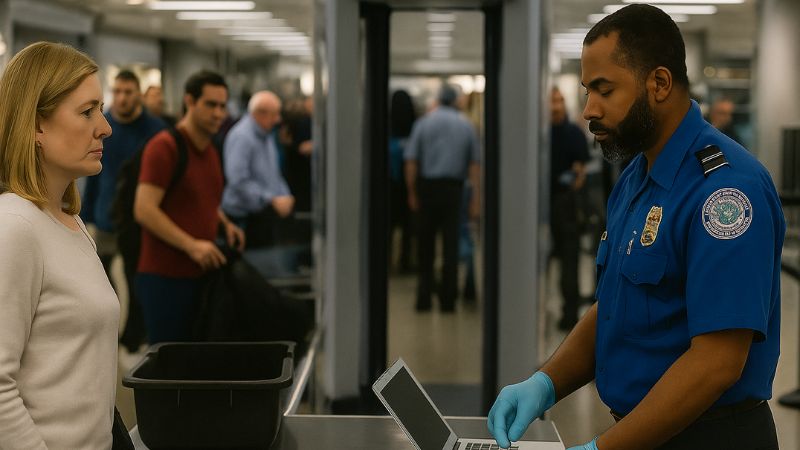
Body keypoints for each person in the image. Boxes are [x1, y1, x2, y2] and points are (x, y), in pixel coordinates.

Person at [488, 5, 784, 450]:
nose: (588, 109)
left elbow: (717, 362)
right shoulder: (637, 176)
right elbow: (613, 306)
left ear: (659, 84)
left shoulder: (725, 192)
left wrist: (602, 449)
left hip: (709, 437)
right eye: (588, 90)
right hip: (642, 434)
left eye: (604, 90)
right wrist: (545, 383)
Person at [0, 42, 119, 448]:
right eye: (87, 112)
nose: (104, 127)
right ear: (36, 125)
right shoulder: (15, 228)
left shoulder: (70, 223)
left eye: (100, 110)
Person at [134, 70, 244, 344]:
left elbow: (199, 196)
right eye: (210, 104)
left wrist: (224, 223)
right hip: (165, 279)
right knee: (169, 369)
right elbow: (144, 209)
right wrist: (192, 245)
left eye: (222, 106)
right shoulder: (164, 147)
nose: (218, 113)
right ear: (190, 102)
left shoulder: (210, 150)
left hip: (200, 276)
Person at [81, 69, 165, 352]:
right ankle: (107, 336)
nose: (121, 98)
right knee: (99, 281)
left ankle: (133, 338)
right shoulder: (103, 126)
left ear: (138, 95)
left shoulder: (155, 131)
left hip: (137, 222)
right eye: (117, 92)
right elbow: (94, 174)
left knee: (135, 280)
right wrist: (86, 214)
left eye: (128, 92)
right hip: (105, 219)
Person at [405, 84, 480, 312]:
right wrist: (475, 198)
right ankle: (448, 300)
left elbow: (411, 161)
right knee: (451, 245)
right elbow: (474, 166)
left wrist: (412, 193)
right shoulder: (466, 126)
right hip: (453, 190)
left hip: (428, 188)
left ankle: (424, 298)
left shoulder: (423, 124)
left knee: (425, 246)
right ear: (455, 100)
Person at [221, 90, 295, 249]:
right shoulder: (242, 137)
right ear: (260, 114)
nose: (278, 119)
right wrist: (271, 199)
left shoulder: (266, 135)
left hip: (262, 214)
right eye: (274, 114)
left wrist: (284, 195)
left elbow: (273, 172)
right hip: (243, 218)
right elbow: (238, 181)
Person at [549, 86, 591, 330]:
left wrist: (572, 192)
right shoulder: (539, 133)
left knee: (569, 261)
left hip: (564, 203)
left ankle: (569, 313)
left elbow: (581, 172)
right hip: (541, 206)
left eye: (560, 100)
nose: (557, 105)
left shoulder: (573, 133)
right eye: (553, 101)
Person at [389, 90, 416, 272]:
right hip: (410, 185)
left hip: (390, 185)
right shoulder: (415, 128)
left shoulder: (385, 127)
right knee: (408, 228)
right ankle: (405, 262)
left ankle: (388, 261)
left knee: (388, 228)